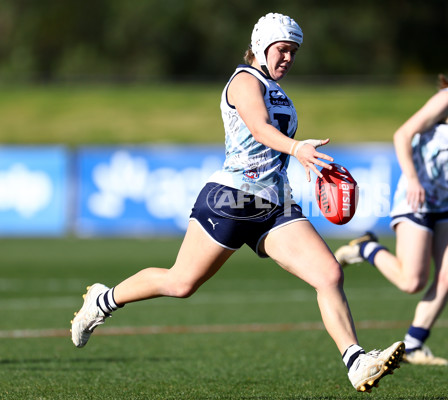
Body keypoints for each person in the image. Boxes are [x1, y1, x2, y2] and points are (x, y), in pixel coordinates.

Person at [70, 12, 403, 392]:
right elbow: (259, 128)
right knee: (181, 283)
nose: (288, 58)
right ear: (261, 46)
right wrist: (297, 148)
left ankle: (356, 361)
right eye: (282, 49)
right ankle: (104, 300)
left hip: (274, 204)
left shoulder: (282, 93)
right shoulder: (245, 80)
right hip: (231, 197)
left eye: (294, 52)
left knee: (328, 274)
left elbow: (271, 149)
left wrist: (303, 160)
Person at [335, 43, 448, 366]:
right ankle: (365, 248)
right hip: (416, 196)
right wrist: (413, 178)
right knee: (412, 282)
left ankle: (414, 344)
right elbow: (402, 134)